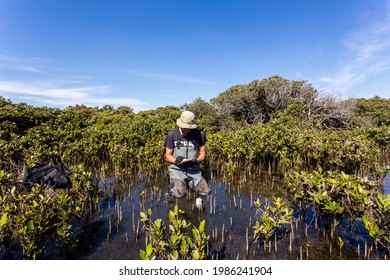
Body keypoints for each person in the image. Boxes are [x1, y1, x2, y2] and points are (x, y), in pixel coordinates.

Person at [164, 111, 211, 198]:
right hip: (177, 169)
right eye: (184, 127)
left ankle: (192, 183)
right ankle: (177, 182)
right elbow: (167, 155)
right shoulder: (172, 134)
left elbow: (203, 153)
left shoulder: (199, 134)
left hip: (194, 169)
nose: (186, 130)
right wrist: (175, 160)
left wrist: (196, 161)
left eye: (189, 128)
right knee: (178, 194)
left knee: (205, 192)